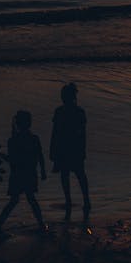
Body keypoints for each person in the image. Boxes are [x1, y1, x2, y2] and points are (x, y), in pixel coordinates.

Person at [0, 110, 47, 236]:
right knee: (31, 199)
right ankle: (41, 226)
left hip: (17, 175)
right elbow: (40, 156)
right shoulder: (34, 139)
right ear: (29, 123)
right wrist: (42, 171)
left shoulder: (13, 140)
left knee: (14, 200)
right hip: (29, 174)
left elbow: (12, 160)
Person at [50, 83, 91, 220]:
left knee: (71, 175)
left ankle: (77, 201)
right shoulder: (77, 112)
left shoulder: (62, 112)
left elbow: (56, 133)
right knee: (75, 175)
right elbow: (56, 133)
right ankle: (83, 200)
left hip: (67, 148)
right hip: (71, 148)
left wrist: (53, 150)